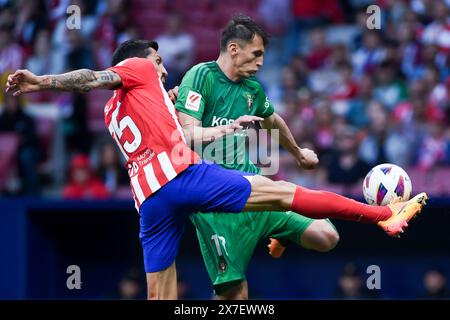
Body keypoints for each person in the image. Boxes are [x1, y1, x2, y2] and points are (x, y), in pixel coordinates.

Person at [6, 39, 428, 300]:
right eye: (157, 61)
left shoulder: (116, 111)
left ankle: (282, 231)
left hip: (149, 201)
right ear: (136, 61)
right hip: (182, 178)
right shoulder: (134, 67)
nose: (163, 68)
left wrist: (216, 124)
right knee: (281, 191)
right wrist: (41, 81)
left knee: (160, 293)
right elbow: (91, 77)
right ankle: (383, 216)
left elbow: (173, 132)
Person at [173, 16, 339, 299]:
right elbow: (186, 136)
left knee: (327, 236)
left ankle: (282, 233)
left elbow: (272, 120)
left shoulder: (252, 89)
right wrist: (226, 128)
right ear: (234, 49)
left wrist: (298, 154)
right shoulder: (201, 76)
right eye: (257, 54)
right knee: (236, 297)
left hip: (255, 192)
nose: (261, 62)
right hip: (215, 205)